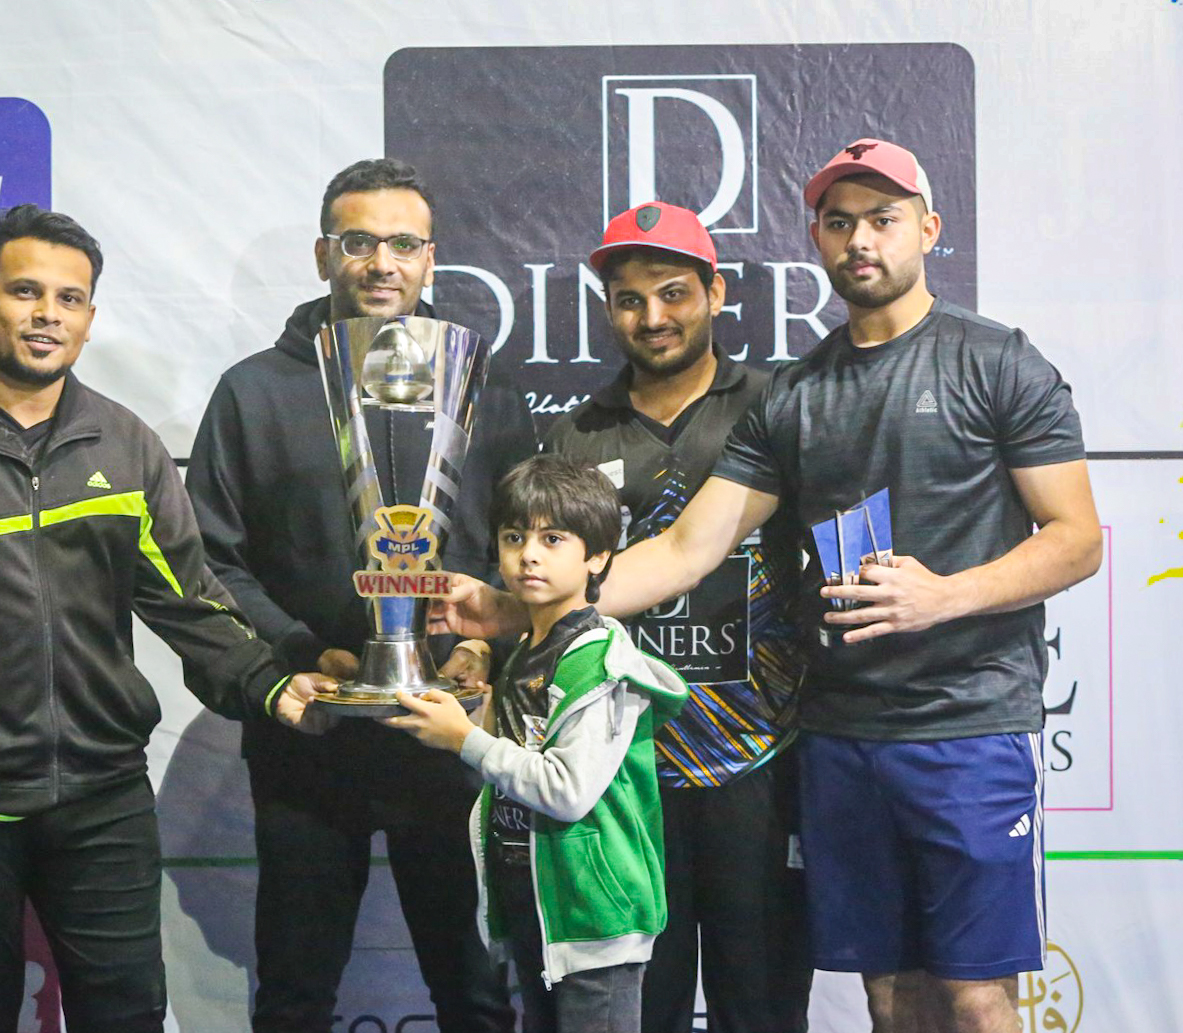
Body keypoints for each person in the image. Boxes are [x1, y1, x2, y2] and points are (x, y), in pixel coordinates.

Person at [435, 139, 1103, 1033]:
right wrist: (510, 606)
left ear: (926, 229)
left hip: (965, 724)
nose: (859, 240)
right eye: (839, 222)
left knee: (976, 997)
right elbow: (685, 550)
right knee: (888, 992)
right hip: (838, 732)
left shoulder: (996, 360)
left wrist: (944, 595)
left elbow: (1076, 540)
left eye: (882, 219)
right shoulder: (793, 394)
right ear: (816, 239)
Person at [0, 203, 331, 1033]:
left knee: (125, 1017)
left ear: (88, 318)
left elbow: (190, 598)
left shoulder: (124, 444)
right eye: (25, 291)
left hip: (101, 797)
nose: (47, 313)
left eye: (69, 298)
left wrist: (269, 681)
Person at [184, 158, 530, 1032]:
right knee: (295, 993)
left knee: (476, 991)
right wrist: (302, 653)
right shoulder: (253, 392)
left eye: (404, 243)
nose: (382, 262)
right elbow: (211, 560)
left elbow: (523, 547)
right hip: (311, 735)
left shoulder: (483, 386)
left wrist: (480, 645)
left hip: (450, 737)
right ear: (322, 254)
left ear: (430, 258)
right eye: (359, 242)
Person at [546, 201, 811, 1032]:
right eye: (629, 300)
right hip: (625, 770)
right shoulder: (574, 434)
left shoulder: (777, 405)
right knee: (640, 1008)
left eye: (672, 293)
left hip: (757, 758)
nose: (652, 317)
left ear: (714, 293)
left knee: (761, 1005)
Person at [386, 454, 687, 1033]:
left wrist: (465, 739)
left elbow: (566, 790)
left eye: (553, 539)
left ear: (598, 556)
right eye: (513, 537)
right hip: (539, 904)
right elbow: (521, 753)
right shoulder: (526, 650)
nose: (528, 554)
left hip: (594, 918)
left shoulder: (600, 662)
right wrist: (456, 710)